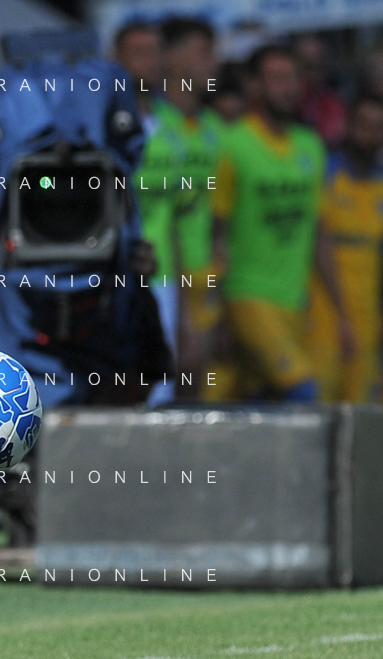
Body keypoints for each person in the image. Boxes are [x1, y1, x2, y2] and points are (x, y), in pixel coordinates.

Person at [212, 44, 352, 402]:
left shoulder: (310, 146)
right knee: (304, 392)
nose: (288, 88)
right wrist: (216, 312)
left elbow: (319, 234)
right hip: (247, 295)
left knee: (258, 400)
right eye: (277, 79)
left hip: (294, 301)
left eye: (293, 78)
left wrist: (341, 311)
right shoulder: (232, 145)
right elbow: (216, 235)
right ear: (254, 85)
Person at [133, 17, 225, 404]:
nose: (214, 62)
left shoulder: (213, 128)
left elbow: (208, 210)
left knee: (196, 387)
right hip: (154, 274)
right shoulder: (148, 125)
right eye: (203, 52)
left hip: (199, 275)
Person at [303, 96, 383, 403]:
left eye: (378, 128)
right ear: (348, 126)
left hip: (367, 324)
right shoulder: (325, 175)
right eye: (363, 126)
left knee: (362, 413)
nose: (369, 135)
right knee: (318, 408)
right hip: (322, 317)